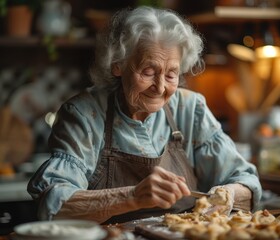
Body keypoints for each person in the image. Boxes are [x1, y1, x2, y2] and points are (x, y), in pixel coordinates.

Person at [28, 6, 262, 224]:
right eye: (148, 72)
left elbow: (248, 184)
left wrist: (228, 194)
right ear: (117, 65)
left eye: (171, 74)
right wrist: (132, 196)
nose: (160, 88)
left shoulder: (191, 109)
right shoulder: (84, 114)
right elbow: (53, 205)